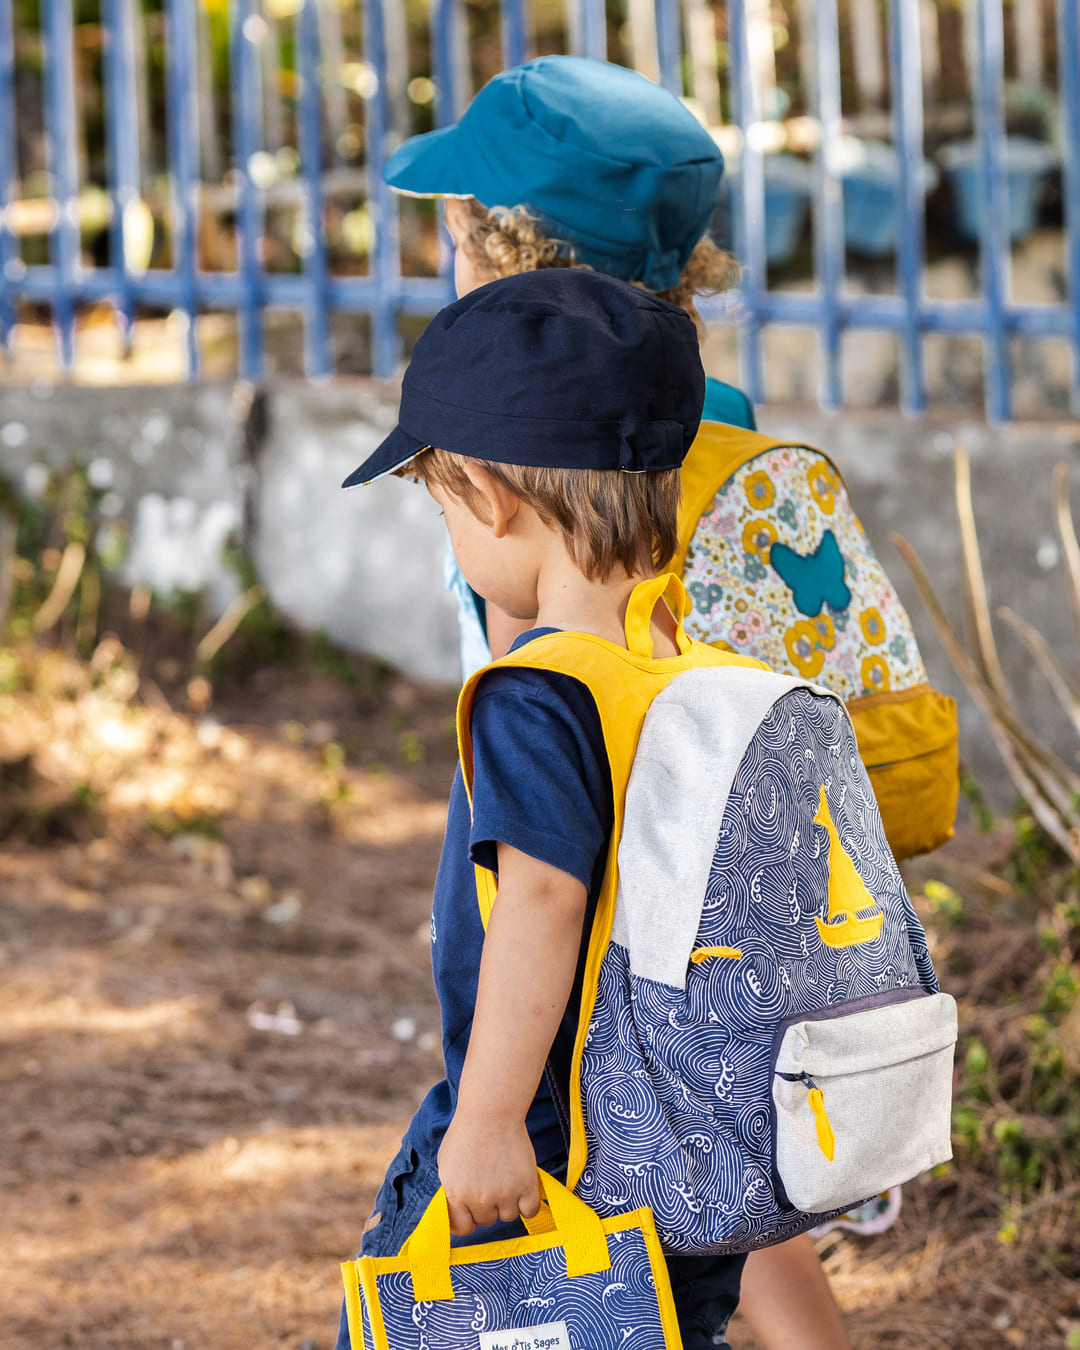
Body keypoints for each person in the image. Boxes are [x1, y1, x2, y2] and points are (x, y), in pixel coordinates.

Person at [382, 55, 854, 1350]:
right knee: (689, 1134)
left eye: (460, 238)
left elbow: (529, 698)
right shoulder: (709, 409)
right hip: (710, 861)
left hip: (579, 842)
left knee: (580, 1162)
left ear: (505, 253)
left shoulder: (509, 437)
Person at [336, 268, 748, 1350]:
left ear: (493, 495)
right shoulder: (686, 670)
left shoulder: (536, 691)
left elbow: (544, 900)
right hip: (677, 1152)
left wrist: (483, 1123)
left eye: (440, 506)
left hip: (543, 1155)